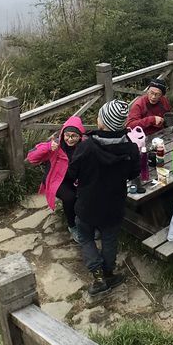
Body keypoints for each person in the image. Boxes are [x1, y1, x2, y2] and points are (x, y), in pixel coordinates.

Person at [65, 100, 139, 296]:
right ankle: (108, 273)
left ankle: (98, 278)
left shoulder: (86, 147)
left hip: (87, 204)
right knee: (109, 239)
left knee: (86, 237)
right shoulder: (130, 149)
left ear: (103, 122)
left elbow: (72, 173)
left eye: (99, 116)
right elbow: (133, 174)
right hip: (114, 204)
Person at [27, 116, 85, 243]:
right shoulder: (55, 146)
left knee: (86, 195)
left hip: (76, 179)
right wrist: (48, 147)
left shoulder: (84, 146)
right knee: (70, 198)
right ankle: (72, 225)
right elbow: (31, 158)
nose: (70, 139)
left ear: (80, 136)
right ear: (62, 134)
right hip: (57, 181)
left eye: (74, 136)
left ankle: (85, 222)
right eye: (67, 135)